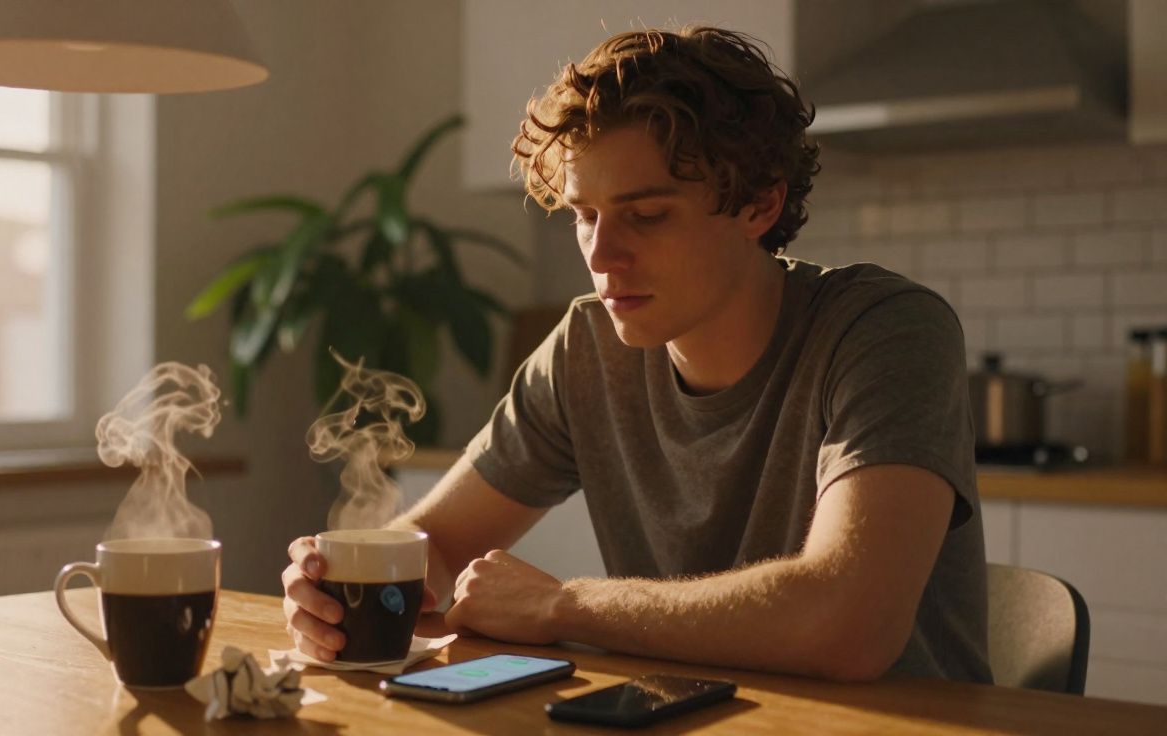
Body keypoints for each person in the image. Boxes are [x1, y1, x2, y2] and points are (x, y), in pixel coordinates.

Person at [283, 26, 992, 683]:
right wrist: (339, 590)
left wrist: (562, 606)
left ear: (760, 205)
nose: (601, 254)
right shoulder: (586, 348)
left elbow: (849, 625)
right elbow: (433, 545)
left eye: (647, 216)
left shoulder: (885, 330)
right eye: (584, 216)